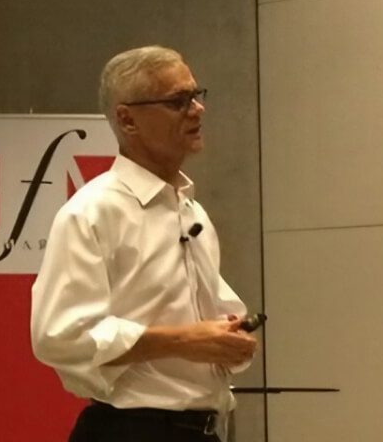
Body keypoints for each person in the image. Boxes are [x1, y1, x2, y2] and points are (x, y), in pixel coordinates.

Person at [29, 45, 256, 442]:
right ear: (127, 119)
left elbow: (206, 320)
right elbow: (59, 336)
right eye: (177, 101)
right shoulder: (92, 213)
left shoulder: (192, 212)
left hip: (206, 428)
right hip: (134, 430)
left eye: (196, 96)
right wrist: (186, 340)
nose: (197, 109)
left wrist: (228, 340)